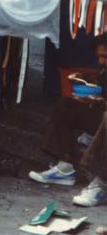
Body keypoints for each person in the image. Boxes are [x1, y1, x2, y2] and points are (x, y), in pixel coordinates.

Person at [29, 33, 107, 207]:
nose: (101, 61)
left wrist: (102, 102)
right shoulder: (104, 69)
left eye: (105, 57)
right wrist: (84, 82)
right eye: (99, 57)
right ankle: (65, 168)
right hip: (101, 113)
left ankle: (102, 185)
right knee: (66, 104)